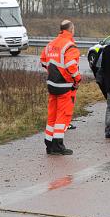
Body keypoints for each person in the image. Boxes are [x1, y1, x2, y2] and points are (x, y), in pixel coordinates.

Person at [40, 20, 82, 155]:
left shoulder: (51, 45)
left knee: (52, 115)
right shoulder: (70, 46)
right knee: (63, 115)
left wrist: (53, 72)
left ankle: (49, 144)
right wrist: (77, 78)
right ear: (71, 29)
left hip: (52, 84)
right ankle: (58, 145)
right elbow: (71, 65)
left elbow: (43, 61)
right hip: (65, 86)